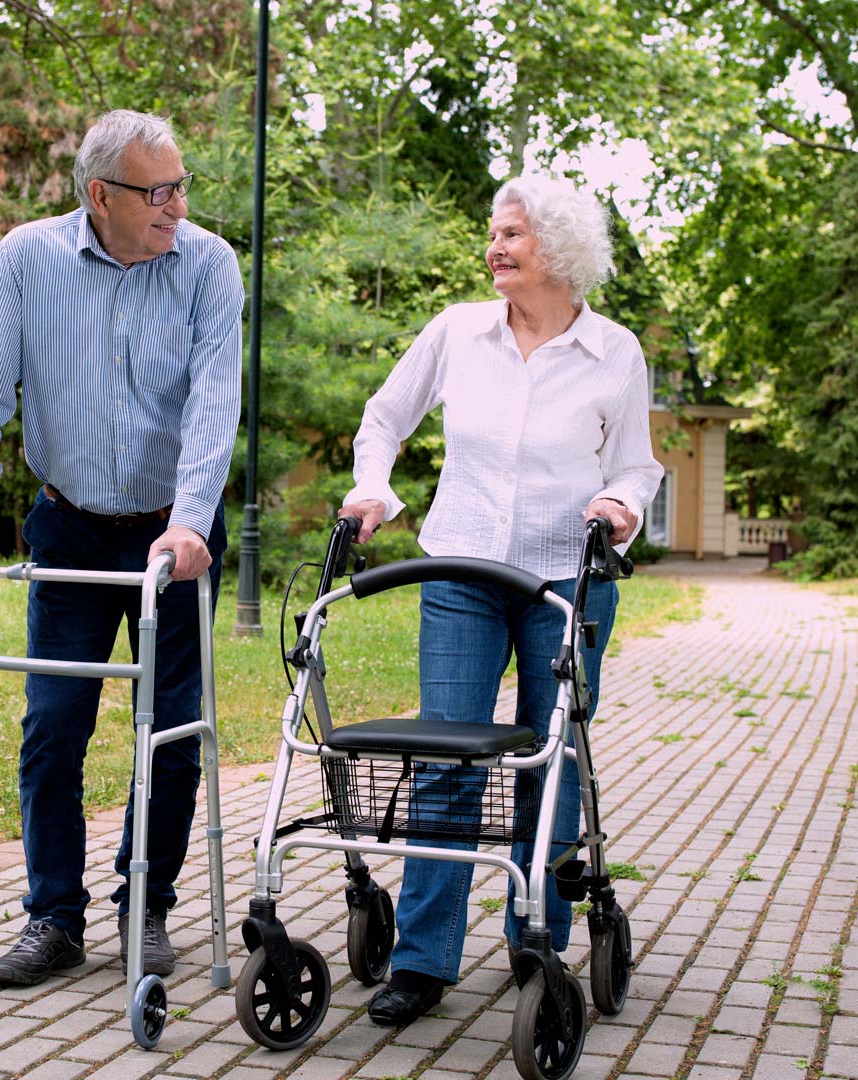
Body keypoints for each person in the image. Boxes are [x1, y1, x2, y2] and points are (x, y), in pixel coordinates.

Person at [0, 109, 243, 987]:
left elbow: (215, 405)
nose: (178, 205)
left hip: (169, 535)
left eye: (182, 186)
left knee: (169, 728)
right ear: (99, 195)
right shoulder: (28, 259)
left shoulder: (210, 267)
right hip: (67, 523)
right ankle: (54, 917)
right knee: (54, 724)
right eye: (159, 191)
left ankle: (147, 902)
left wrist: (188, 520)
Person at [339, 174, 664, 1025]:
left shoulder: (614, 353)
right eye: (493, 232)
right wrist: (374, 488)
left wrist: (622, 505)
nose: (495, 247)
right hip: (464, 573)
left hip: (567, 581)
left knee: (544, 766)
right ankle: (422, 960)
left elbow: (636, 463)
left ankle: (535, 939)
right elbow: (384, 419)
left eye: (512, 234)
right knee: (446, 758)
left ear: (555, 249)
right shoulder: (457, 333)